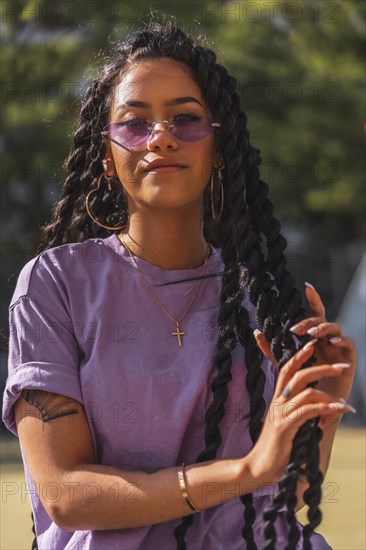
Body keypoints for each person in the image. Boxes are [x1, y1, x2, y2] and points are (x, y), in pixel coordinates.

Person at [2, 19, 356, 550]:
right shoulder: (56, 285)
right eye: (135, 122)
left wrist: (318, 415)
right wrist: (246, 469)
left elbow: (287, 488)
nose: (161, 136)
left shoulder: (260, 297)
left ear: (217, 147)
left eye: (186, 119)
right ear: (105, 154)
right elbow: (64, 494)